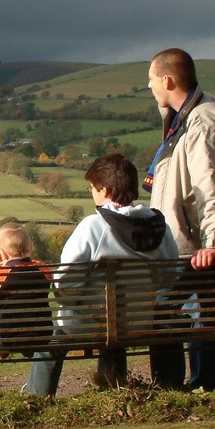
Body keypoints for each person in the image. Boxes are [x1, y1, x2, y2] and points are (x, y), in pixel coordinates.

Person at [25, 153, 178, 395]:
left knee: (51, 343)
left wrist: (71, 302)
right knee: (121, 327)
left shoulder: (92, 227)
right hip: (140, 321)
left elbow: (65, 283)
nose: (92, 193)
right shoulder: (160, 227)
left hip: (89, 323)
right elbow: (168, 278)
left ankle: (36, 398)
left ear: (104, 190)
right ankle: (129, 390)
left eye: (93, 188)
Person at [144, 47, 215, 390]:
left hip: (190, 243)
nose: (150, 88)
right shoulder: (193, 114)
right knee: (195, 311)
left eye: (152, 81)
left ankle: (180, 385)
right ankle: (203, 382)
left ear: (167, 80)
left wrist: (212, 241)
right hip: (188, 240)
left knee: (169, 310)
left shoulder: (201, 123)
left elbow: (210, 184)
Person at [0, 222, 54, 358]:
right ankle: (29, 349)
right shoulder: (43, 269)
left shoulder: (0, 275)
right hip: (41, 334)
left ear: (2, 253)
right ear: (31, 247)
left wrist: (0, 267)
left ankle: (2, 349)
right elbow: (43, 268)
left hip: (6, 336)